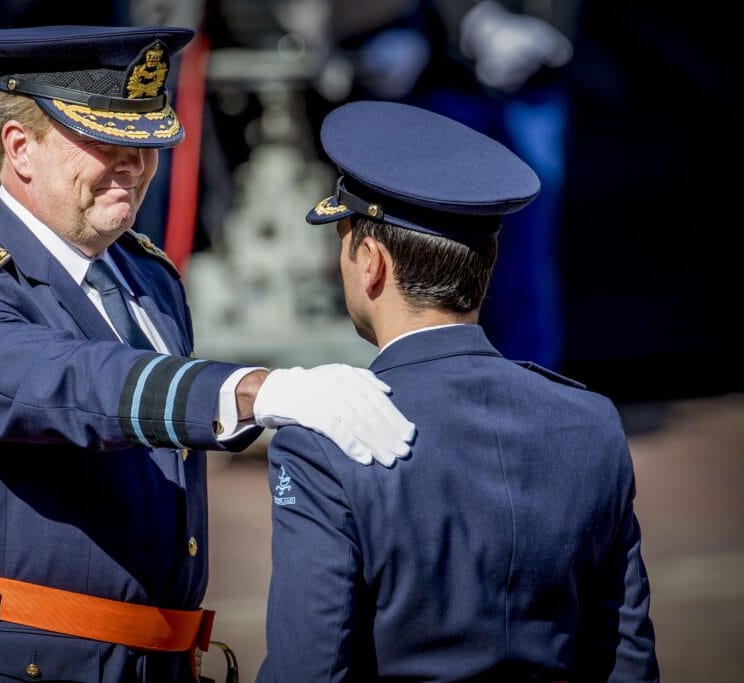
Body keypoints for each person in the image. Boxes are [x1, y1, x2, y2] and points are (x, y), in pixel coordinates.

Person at [0, 25, 416, 683]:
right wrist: (258, 391)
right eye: (106, 141)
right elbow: (73, 386)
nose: (134, 162)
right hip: (12, 665)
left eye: (146, 142)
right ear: (20, 147)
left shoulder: (146, 275)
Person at [259, 101, 658, 681]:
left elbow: (309, 667)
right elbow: (627, 659)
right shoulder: (591, 422)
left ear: (369, 262)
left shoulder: (323, 443)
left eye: (344, 241)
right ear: (488, 262)